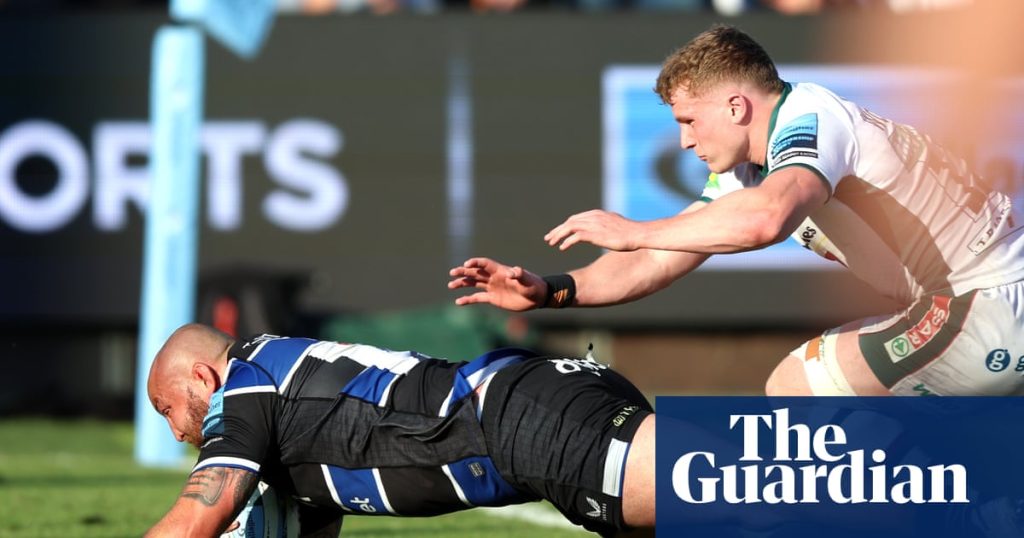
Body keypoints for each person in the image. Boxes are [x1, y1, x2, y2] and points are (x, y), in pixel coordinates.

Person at [447, 24, 1024, 397]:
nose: (684, 141)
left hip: (988, 301)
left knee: (798, 388)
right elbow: (656, 259)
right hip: (972, 302)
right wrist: (550, 290)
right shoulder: (751, 165)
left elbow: (765, 220)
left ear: (735, 106)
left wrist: (634, 229)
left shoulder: (812, 121)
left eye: (688, 120)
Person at [144, 323, 655, 537]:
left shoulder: (245, 385)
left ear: (203, 377)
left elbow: (195, 522)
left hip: (523, 418)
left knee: (708, 486)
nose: (175, 433)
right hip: (533, 407)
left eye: (167, 409)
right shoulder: (281, 404)